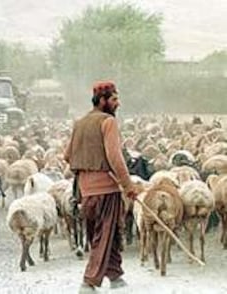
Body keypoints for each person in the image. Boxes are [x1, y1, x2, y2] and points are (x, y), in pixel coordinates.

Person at [63, 81, 138, 293]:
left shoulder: (80, 122)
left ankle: (115, 276)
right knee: (104, 235)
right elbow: (115, 157)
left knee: (109, 232)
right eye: (114, 99)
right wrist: (128, 185)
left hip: (86, 192)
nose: (118, 104)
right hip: (107, 189)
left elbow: (67, 156)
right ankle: (88, 282)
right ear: (103, 100)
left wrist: (87, 167)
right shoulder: (108, 122)